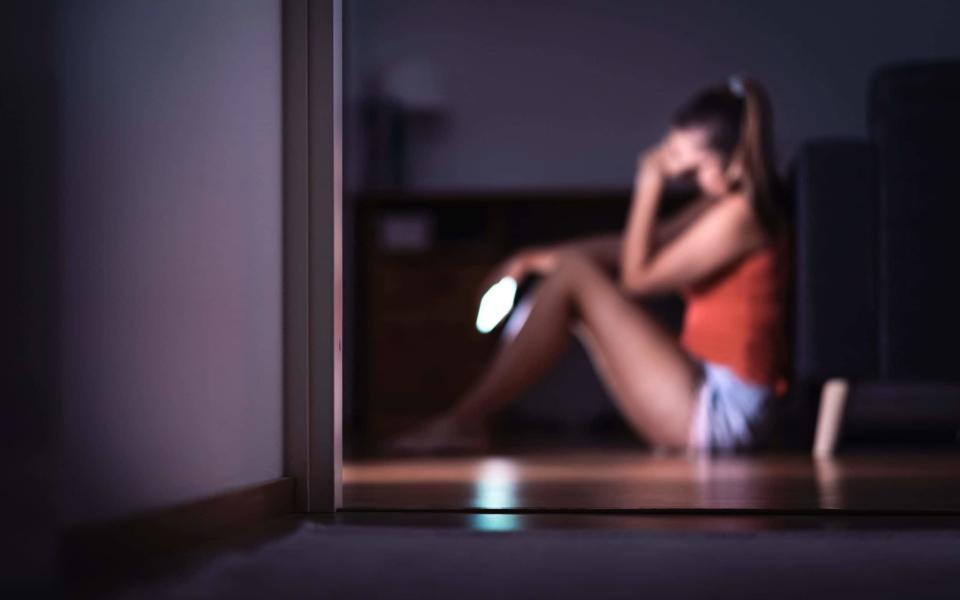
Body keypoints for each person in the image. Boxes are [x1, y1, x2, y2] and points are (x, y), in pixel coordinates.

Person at [389, 76, 791, 455]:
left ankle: (465, 419)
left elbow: (637, 276)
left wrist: (649, 183)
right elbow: (634, 247)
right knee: (574, 277)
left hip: (724, 416)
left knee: (576, 277)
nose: (687, 179)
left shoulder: (743, 216)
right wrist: (528, 259)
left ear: (734, 162)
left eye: (694, 170)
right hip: (704, 386)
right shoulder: (722, 205)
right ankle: (468, 419)